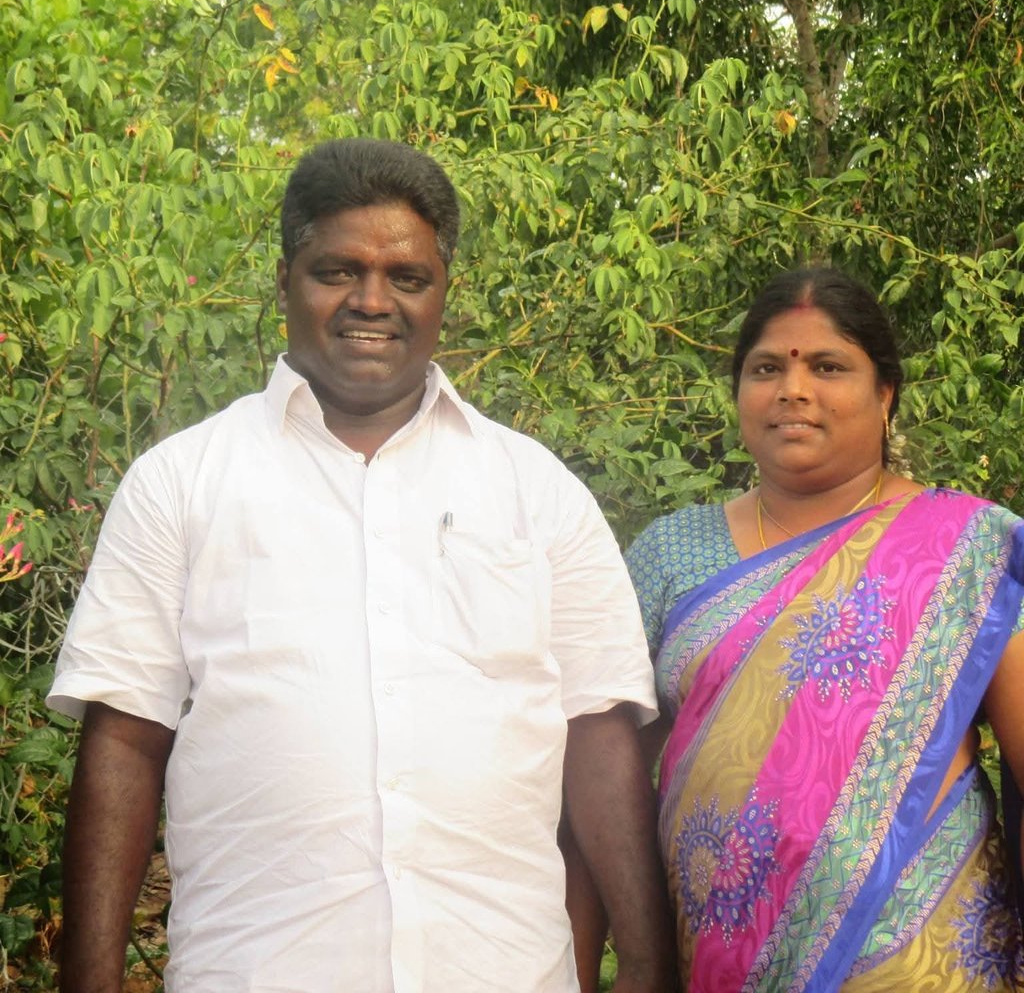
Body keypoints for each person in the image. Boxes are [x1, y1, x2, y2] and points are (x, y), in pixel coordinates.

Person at [48, 138, 675, 993]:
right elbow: (123, 736)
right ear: (284, 283)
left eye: (407, 277)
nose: (371, 301)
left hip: (502, 971)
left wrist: (647, 966)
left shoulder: (537, 490)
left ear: (443, 292)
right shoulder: (182, 482)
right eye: (338, 270)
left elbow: (599, 740)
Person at [625, 267, 1024, 991]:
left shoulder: (973, 549)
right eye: (767, 368)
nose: (793, 390)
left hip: (926, 966)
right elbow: (611, 773)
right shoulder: (670, 555)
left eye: (828, 366)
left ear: (885, 394)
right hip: (717, 963)